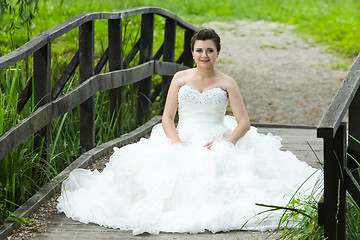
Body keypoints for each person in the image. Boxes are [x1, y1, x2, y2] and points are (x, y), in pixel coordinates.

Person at [57, 29, 322, 235]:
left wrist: (225, 144)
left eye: (210, 50)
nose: (204, 55)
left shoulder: (227, 82)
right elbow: (168, 117)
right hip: (183, 135)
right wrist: (176, 142)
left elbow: (243, 123)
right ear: (192, 53)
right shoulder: (180, 78)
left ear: (218, 53)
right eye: (199, 50)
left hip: (217, 137)